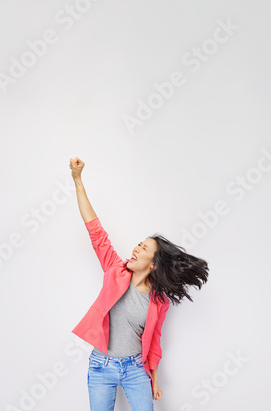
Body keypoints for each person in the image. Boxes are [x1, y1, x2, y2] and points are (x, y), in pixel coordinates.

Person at [69, 157, 209, 411]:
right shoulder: (115, 270)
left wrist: (154, 380)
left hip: (135, 370)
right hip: (101, 367)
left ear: (153, 264)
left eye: (143, 248)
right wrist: (78, 180)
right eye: (139, 244)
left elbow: (154, 341)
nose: (135, 249)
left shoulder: (159, 301)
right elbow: (95, 231)